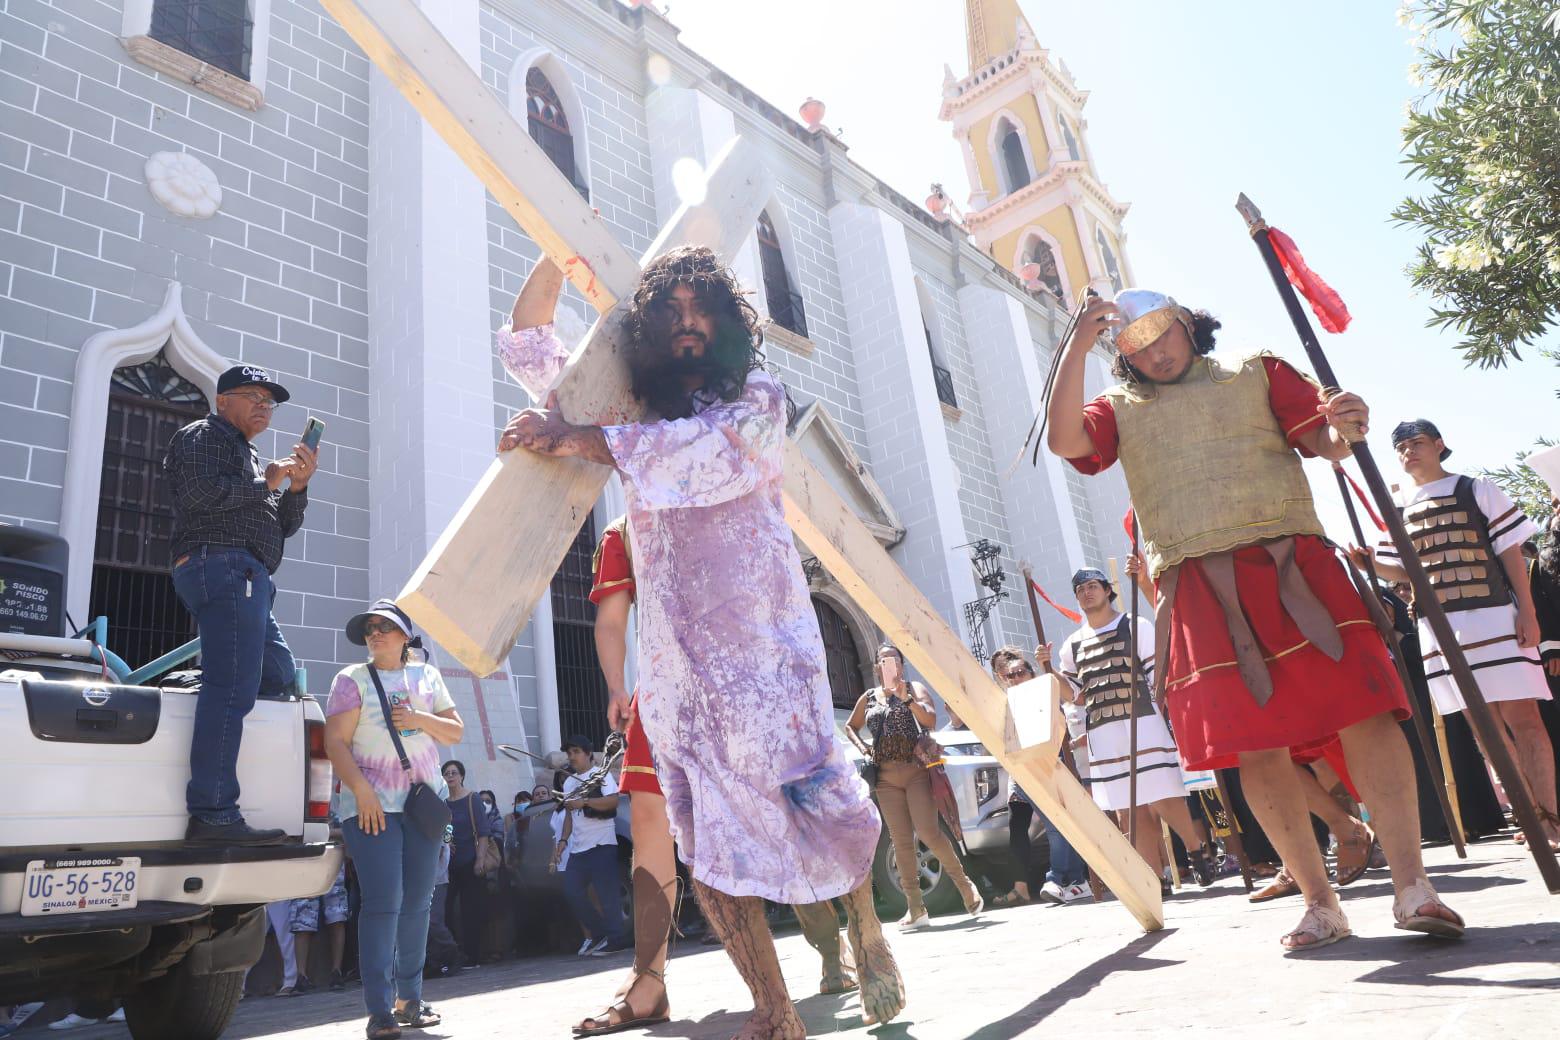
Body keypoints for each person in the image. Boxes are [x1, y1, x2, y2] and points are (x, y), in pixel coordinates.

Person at [498, 247, 903, 1036]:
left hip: (769, 651)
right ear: (648, 328)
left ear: (726, 326)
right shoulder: (627, 409)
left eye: (702, 311)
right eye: (670, 312)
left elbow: (721, 458)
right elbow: (532, 346)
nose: (686, 325)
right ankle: (773, 1008)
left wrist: (587, 441)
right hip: (681, 670)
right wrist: (557, 250)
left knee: (823, 803)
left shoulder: (757, 395)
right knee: (703, 833)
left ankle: (871, 938)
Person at [1046, 288, 1462, 951]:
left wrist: (1346, 427)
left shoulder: (1255, 369)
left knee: (1365, 712)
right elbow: (1065, 438)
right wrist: (1074, 343)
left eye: (1164, 336)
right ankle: (1321, 904)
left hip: (1294, 564)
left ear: (1188, 323)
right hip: (1199, 588)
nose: (1156, 353)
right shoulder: (1118, 409)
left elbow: (1325, 441)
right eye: (1136, 346)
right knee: (1254, 745)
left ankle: (1414, 885)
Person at [573, 516, 859, 1034]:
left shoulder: (720, 497)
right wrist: (617, 686)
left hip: (744, 683)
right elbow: (612, 620)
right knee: (647, 817)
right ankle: (648, 980)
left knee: (779, 820)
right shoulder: (623, 532)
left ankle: (830, 945)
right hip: (667, 692)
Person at [1356, 421, 1558, 849]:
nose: (1409, 452)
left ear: (1438, 446)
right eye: (1401, 447)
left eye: (1417, 443)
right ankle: (1530, 816)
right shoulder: (1395, 509)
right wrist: (1369, 564)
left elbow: (1510, 552)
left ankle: (1551, 817)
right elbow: (1404, 571)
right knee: (1484, 730)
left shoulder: (1477, 489)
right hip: (1439, 629)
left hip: (1496, 617)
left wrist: (1527, 610)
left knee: (1525, 720)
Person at [163, 364, 318, 845]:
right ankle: (212, 812)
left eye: (269, 402)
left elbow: (282, 526)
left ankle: (203, 681)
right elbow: (196, 495)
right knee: (232, 688)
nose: (263, 407)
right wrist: (264, 484)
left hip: (248, 578)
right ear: (222, 400)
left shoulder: (251, 457)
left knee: (277, 674)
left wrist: (296, 488)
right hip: (224, 567)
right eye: (252, 396)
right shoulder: (203, 436)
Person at [323, 599, 464, 1039]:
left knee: (419, 904)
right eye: (370, 628)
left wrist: (419, 718)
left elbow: (455, 730)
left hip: (423, 806)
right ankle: (380, 1009)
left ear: (405, 636)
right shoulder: (352, 680)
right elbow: (334, 742)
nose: (375, 633)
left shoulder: (427, 676)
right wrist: (361, 790)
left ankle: (411, 998)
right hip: (371, 809)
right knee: (383, 904)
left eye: (385, 627)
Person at [1046, 568, 1221, 891]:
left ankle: (1196, 851)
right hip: (1103, 731)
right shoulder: (1072, 645)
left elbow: (1158, 677)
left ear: (1107, 590)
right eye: (1081, 589)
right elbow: (1076, 695)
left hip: (1143, 720)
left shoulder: (1135, 625)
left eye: (1093, 586)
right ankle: (1155, 878)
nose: (1087, 593)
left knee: (1164, 794)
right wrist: (1049, 672)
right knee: (1132, 808)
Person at [843, 643, 983, 928]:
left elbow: (930, 719)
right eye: (884, 660)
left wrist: (906, 699)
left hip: (915, 770)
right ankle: (915, 908)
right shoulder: (869, 697)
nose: (889, 663)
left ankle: (965, 885)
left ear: (901, 665)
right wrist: (864, 749)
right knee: (901, 841)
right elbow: (850, 726)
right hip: (885, 778)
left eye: (894, 659)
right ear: (877, 667)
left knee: (929, 833)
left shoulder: (914, 689)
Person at [987, 647, 1090, 905]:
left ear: (1032, 674)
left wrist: (1048, 666)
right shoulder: (1007, 703)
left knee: (1058, 827)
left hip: (1051, 768)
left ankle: (1058, 879)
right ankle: (1076, 880)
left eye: (1020, 673)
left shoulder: (1045, 693)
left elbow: (1067, 706)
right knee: (1057, 827)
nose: (1015, 679)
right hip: (1024, 774)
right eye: (1009, 676)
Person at [555, 734, 630, 958]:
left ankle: (616, 939)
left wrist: (585, 802)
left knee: (607, 895)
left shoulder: (601, 775)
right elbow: (569, 815)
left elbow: (613, 800)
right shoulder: (569, 782)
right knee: (571, 892)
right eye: (569, 753)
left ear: (588, 754)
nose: (572, 757)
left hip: (601, 844)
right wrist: (562, 841)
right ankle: (599, 933)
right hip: (578, 849)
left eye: (576, 752)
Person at [442, 759, 501, 965]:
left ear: (462, 776)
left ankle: (473, 955)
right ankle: (451, 952)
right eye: (447, 773)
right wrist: (447, 843)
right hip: (450, 864)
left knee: (471, 910)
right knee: (446, 909)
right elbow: (447, 827)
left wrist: (480, 859)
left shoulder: (472, 798)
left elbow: (483, 831)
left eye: (454, 773)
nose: (450, 776)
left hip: (471, 859)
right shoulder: (445, 802)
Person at [288, 864, 350, 993]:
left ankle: (336, 972)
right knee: (302, 920)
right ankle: (301, 976)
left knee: (336, 916)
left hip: (332, 853)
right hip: (303, 859)